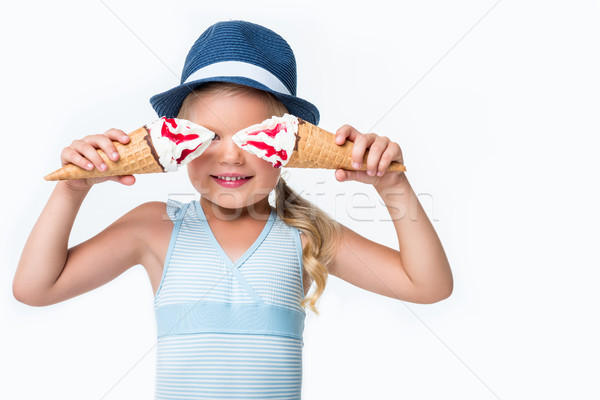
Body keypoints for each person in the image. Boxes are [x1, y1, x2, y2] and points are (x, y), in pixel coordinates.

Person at [13, 20, 453, 399]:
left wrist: (393, 185)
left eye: (251, 137)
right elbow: (36, 288)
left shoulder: (303, 234)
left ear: (288, 149)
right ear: (177, 144)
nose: (229, 156)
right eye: (207, 135)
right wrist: (72, 189)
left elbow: (428, 285)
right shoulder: (153, 227)